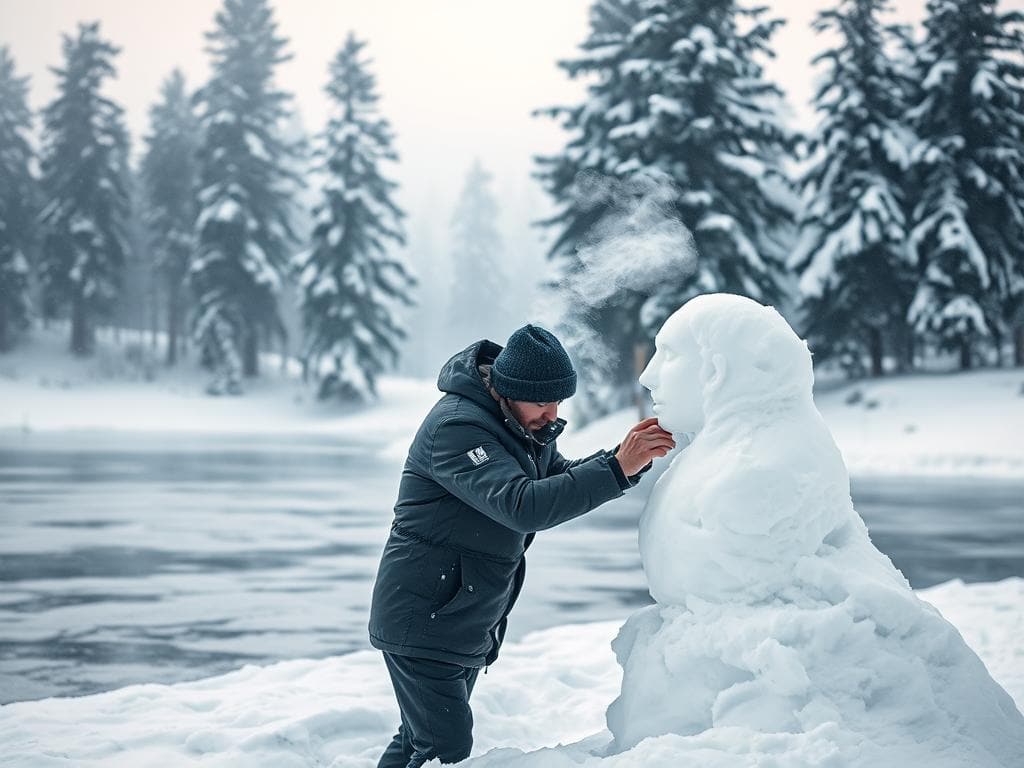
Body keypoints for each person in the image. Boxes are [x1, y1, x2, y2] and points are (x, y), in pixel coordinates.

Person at [368, 324, 676, 767]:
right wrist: (615, 467)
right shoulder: (459, 428)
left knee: (420, 741)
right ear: (509, 390)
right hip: (424, 620)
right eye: (541, 402)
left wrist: (626, 460)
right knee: (442, 749)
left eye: (557, 402)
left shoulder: (514, 423)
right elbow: (523, 504)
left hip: (455, 618)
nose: (551, 413)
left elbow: (554, 478)